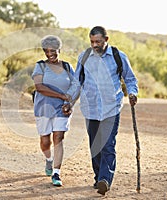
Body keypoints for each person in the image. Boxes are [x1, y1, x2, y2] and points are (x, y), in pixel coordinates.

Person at [63, 26, 138, 195]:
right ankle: (98, 177)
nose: (95, 45)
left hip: (111, 108)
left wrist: (133, 93)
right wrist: (69, 102)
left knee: (108, 145)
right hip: (91, 109)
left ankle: (105, 179)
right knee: (95, 145)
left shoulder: (118, 57)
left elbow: (130, 79)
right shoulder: (85, 56)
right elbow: (77, 82)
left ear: (106, 40)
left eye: (98, 41)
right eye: (92, 41)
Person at [31, 35, 78, 186]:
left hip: (61, 109)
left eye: (53, 51)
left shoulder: (67, 67)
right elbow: (39, 87)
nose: (50, 54)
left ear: (59, 50)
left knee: (58, 138)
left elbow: (76, 86)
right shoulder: (40, 66)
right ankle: (49, 160)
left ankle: (56, 173)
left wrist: (69, 102)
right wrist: (60, 95)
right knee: (45, 141)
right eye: (46, 51)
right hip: (43, 108)